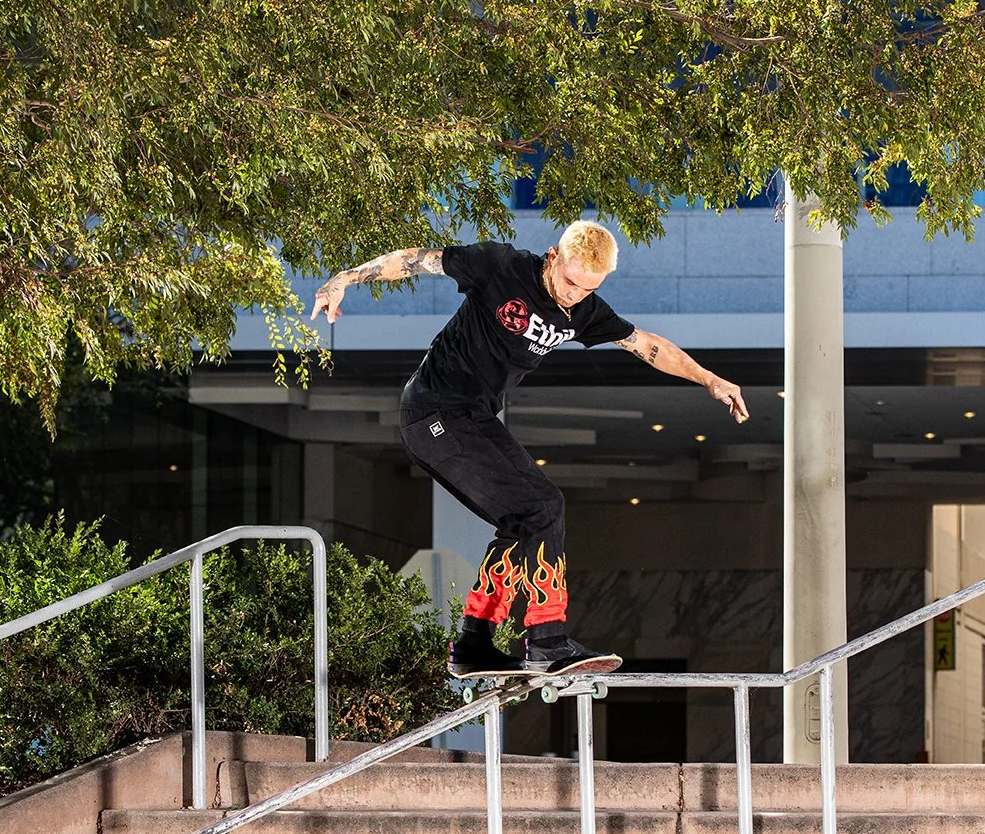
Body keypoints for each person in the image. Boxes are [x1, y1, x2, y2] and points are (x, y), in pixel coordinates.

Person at [312, 221, 748, 679]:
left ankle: (474, 643)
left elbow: (647, 345)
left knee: (525, 519)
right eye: (570, 283)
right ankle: (546, 640)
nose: (574, 297)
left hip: (472, 419)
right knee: (543, 506)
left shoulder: (585, 312)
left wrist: (711, 380)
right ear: (552, 257)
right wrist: (342, 280)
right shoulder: (500, 266)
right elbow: (415, 260)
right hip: (435, 411)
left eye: (588, 290)